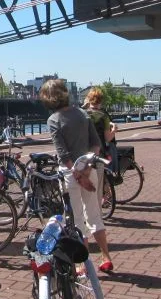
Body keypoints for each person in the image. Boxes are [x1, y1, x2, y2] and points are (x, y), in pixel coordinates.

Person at [39, 79, 114, 273]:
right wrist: (87, 169)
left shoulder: (54, 120)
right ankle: (106, 257)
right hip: (90, 169)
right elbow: (96, 144)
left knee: (77, 219)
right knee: (95, 215)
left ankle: (83, 264)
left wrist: (78, 175)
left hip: (70, 174)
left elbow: (63, 154)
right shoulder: (82, 113)